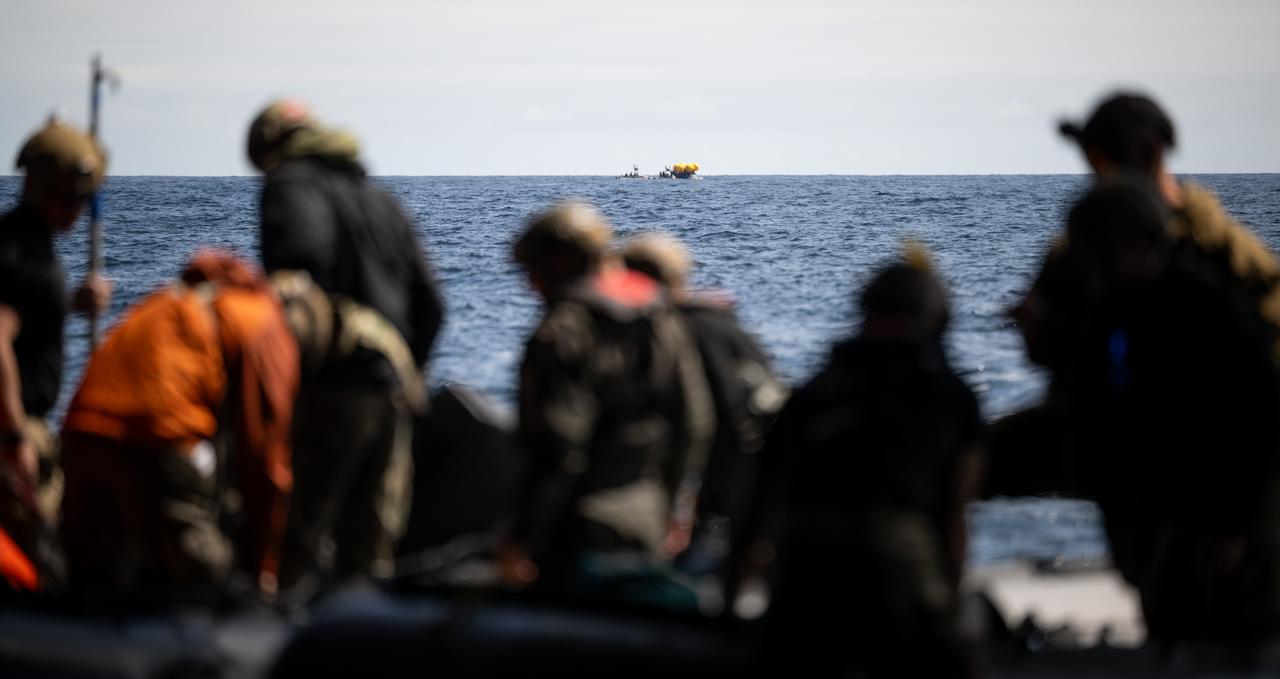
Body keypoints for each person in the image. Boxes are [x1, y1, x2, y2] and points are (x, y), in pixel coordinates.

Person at [1036, 178, 1280, 640]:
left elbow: (1260, 413)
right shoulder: (1117, 305)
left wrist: (1233, 521)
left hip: (1226, 493)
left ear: (1141, 245)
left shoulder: (1203, 307)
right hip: (1163, 486)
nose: (1096, 269)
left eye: (1104, 254)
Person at [755, 247, 983, 677]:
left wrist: (733, 600)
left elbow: (761, 498)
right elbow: (954, 516)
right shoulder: (951, 396)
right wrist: (949, 605)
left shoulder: (813, 392)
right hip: (898, 552)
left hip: (806, 562)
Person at [246, 99, 445, 590]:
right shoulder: (380, 199)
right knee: (370, 550)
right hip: (392, 391)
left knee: (294, 538)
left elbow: (298, 268)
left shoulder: (291, 183)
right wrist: (403, 372)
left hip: (330, 391)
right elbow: (432, 304)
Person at [501, 203, 714, 599]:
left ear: (559, 262)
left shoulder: (562, 330)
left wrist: (521, 535)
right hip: (647, 515)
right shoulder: (660, 315)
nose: (530, 285)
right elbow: (694, 421)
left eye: (531, 270)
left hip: (577, 526)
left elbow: (557, 445)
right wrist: (671, 505)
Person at [59, 251, 299, 598]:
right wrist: (262, 568)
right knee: (206, 577)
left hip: (82, 427)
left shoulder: (167, 301)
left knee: (92, 580)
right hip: (160, 438)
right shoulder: (264, 321)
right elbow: (262, 453)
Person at [620, 233, 787, 569]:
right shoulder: (726, 328)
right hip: (750, 492)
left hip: (698, 494)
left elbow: (692, 425)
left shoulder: (650, 333)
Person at [0, 119, 112, 593]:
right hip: (15, 430)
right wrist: (15, 437)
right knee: (43, 567)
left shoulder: (22, 242)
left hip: (20, 427)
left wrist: (72, 305)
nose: (73, 210)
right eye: (65, 197)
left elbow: (24, 318)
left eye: (80, 200)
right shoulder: (22, 253)